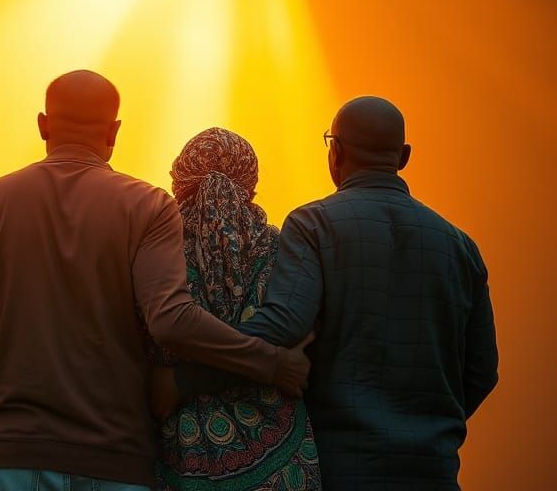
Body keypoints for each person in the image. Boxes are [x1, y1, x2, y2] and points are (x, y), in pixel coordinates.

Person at [0, 70, 310, 491]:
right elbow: (171, 321)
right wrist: (271, 363)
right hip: (113, 461)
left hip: (8, 458)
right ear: (114, 132)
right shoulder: (147, 207)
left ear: (43, 125)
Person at [174, 97, 499, 490]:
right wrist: (429, 427)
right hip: (434, 469)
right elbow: (482, 370)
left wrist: (187, 378)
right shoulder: (460, 247)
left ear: (336, 151)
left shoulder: (315, 224)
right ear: (404, 156)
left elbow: (284, 324)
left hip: (341, 466)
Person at [146, 128, 322, 491]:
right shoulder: (281, 248)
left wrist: (181, 381)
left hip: (178, 457)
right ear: (252, 186)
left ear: (180, 182)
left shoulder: (157, 253)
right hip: (283, 464)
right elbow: (299, 337)